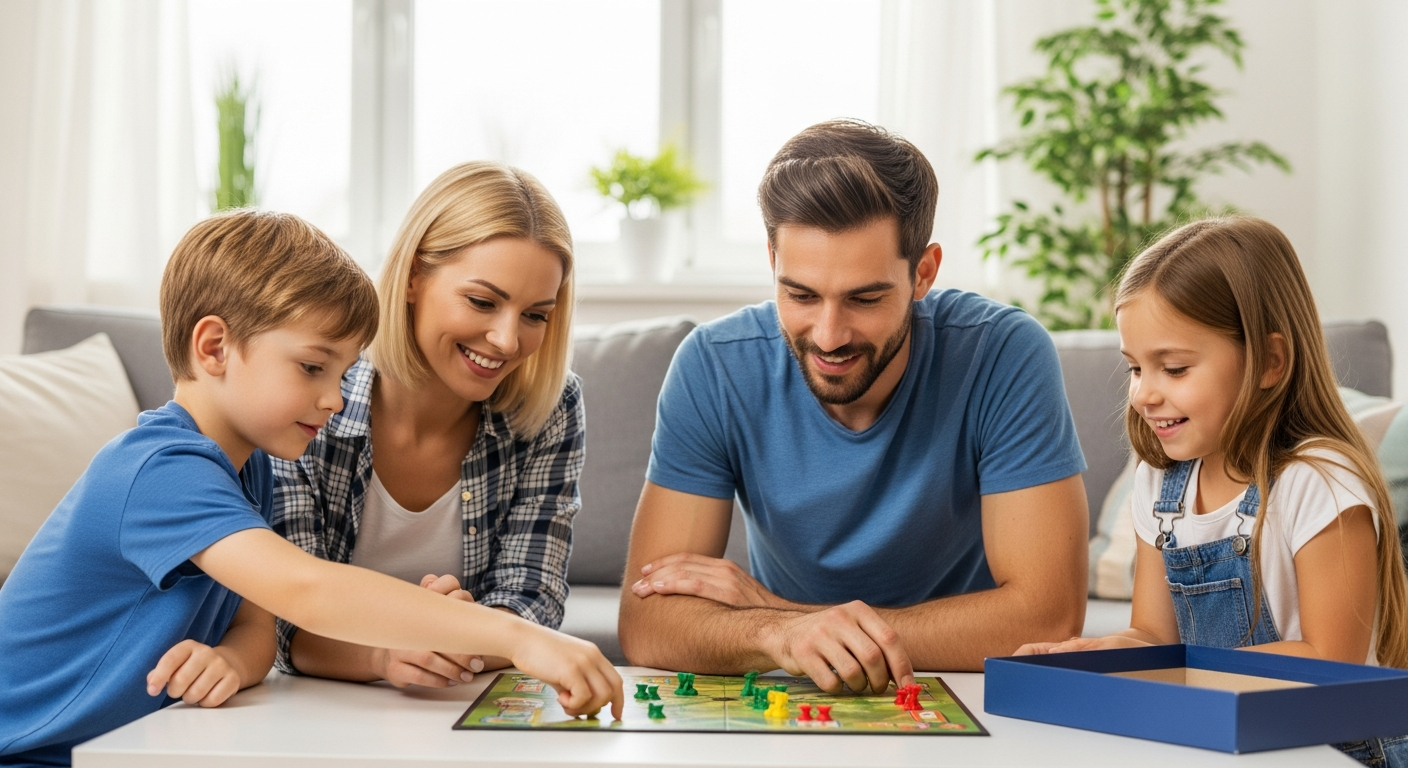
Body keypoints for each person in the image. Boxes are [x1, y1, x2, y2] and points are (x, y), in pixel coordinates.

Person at [0, 211, 621, 767]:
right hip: (31, 753)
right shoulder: (159, 470)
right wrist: (519, 635)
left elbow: (257, 629)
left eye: (346, 372)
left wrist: (231, 663)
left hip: (111, 752)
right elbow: (307, 590)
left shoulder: (248, 470)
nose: (336, 397)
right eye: (312, 368)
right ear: (214, 346)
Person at [618, 119, 1090, 692]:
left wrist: (781, 615)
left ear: (924, 273)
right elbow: (647, 622)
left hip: (958, 688)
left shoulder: (1004, 353)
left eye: (864, 298)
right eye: (800, 294)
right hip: (797, 687)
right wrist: (782, 635)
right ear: (772, 259)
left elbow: (1046, 618)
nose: (829, 334)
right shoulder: (714, 366)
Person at [1015, 217, 1408, 766]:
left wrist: (1179, 672)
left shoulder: (1319, 481)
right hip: (1224, 738)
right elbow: (1153, 633)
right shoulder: (1161, 482)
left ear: (1270, 361)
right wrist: (1098, 653)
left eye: (1174, 368)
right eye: (1134, 368)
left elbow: (1330, 664)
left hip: (1333, 748)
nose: (1144, 394)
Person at [271, 161, 584, 689]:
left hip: (457, 699)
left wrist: (452, 643)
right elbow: (284, 615)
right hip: (318, 705)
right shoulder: (311, 391)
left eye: (535, 315)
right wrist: (389, 653)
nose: (508, 341)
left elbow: (532, 595)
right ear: (414, 277)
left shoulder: (552, 406)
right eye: (483, 302)